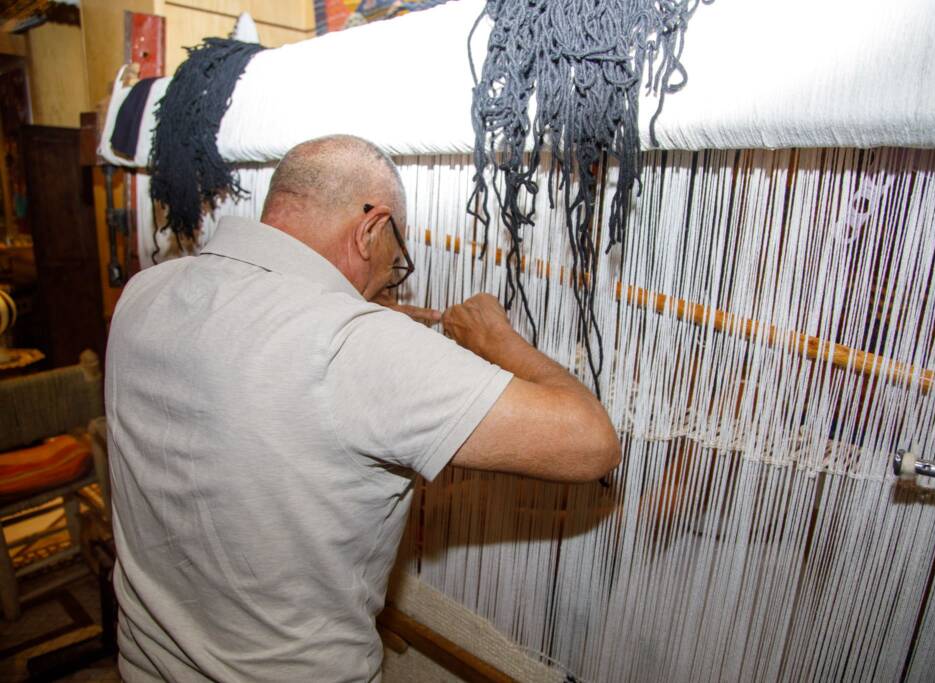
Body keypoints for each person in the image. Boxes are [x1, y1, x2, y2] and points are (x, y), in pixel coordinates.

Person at [105, 134, 620, 682]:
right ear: (372, 228)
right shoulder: (359, 347)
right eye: (394, 266)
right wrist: (497, 340)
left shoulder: (144, 291)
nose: (385, 289)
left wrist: (363, 321)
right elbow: (594, 444)